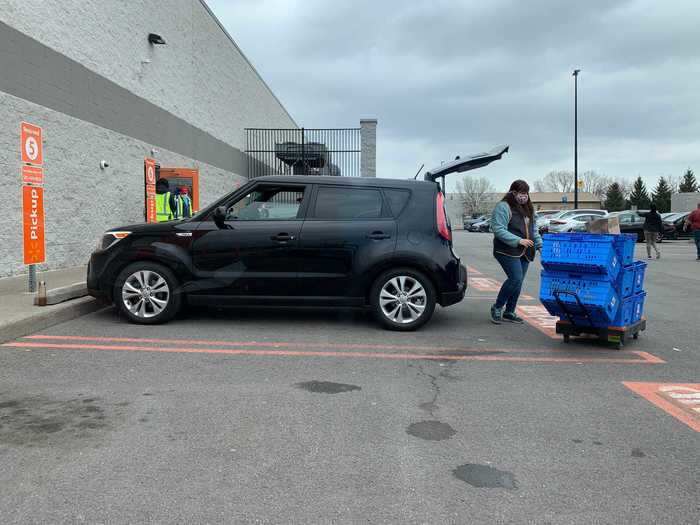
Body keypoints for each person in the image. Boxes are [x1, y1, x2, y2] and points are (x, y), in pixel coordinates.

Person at [489, 180, 543, 324]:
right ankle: (497, 307)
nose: (523, 197)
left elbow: (534, 231)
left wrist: (540, 246)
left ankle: (509, 311)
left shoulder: (529, 209)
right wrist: (518, 240)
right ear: (513, 193)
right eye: (520, 193)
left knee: (518, 283)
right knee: (515, 278)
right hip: (506, 250)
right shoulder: (503, 207)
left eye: (525, 193)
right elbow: (498, 229)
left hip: (526, 251)